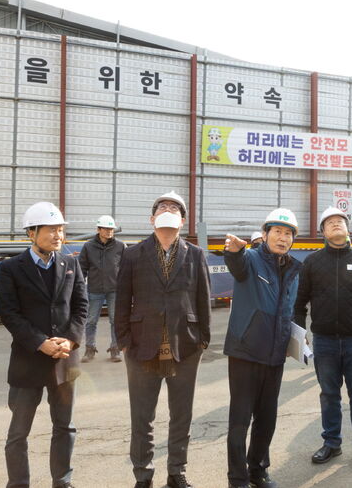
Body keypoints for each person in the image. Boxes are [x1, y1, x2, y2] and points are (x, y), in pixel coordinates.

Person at [114, 191, 211, 488]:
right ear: (152, 218)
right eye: (162, 207)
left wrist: (203, 339)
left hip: (186, 346)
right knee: (142, 417)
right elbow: (121, 300)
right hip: (141, 345)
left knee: (181, 414)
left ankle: (176, 472)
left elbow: (203, 298)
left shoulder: (195, 254)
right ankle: (143, 475)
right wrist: (123, 340)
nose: (168, 209)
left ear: (182, 221)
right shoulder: (133, 254)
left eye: (175, 208)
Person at [0, 201, 88, 488]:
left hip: (64, 359)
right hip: (28, 361)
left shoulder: (70, 263)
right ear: (31, 233)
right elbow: (10, 314)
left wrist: (71, 339)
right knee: (18, 432)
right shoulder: (11, 268)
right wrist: (39, 343)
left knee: (65, 427)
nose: (57, 235)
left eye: (60, 229)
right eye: (51, 229)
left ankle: (62, 481)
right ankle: (18, 483)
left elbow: (81, 306)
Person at [293, 206, 352, 472]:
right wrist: (300, 334)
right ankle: (332, 443)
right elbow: (299, 303)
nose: (336, 224)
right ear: (323, 231)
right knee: (329, 395)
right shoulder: (312, 262)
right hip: (324, 342)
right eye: (330, 222)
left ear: (348, 229)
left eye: (340, 221)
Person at [223, 208, 302, 488]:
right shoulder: (251, 259)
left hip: (275, 356)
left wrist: (294, 339)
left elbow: (289, 310)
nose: (283, 238)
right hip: (245, 352)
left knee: (267, 419)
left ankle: (257, 470)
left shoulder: (293, 269)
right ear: (265, 234)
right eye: (277, 231)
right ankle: (237, 479)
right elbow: (237, 263)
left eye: (288, 233)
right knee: (240, 421)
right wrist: (234, 252)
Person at [79, 215, 126, 363]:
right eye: (106, 229)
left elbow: (126, 268)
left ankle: (115, 350)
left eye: (111, 229)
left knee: (115, 320)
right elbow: (82, 268)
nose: (109, 231)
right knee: (91, 321)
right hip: (95, 290)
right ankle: (89, 349)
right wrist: (80, 288)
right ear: (98, 230)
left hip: (114, 290)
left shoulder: (120, 246)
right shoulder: (88, 246)